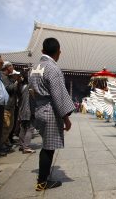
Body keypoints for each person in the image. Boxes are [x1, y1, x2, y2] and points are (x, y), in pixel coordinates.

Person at [29, 38, 75, 191]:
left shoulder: (34, 67)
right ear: (58, 52)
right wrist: (66, 118)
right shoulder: (53, 68)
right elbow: (58, 95)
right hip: (50, 111)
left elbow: (32, 91)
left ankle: (43, 177)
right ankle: (42, 182)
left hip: (39, 109)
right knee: (48, 148)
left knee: (46, 145)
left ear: (42, 51)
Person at [0, 61, 20, 152]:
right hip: (6, 106)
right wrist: (16, 82)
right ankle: (0, 146)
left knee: (10, 126)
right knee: (6, 126)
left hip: (11, 105)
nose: (12, 68)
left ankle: (4, 143)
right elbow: (8, 88)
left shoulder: (8, 77)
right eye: (11, 66)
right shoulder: (2, 76)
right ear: (7, 67)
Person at [18, 72, 36, 153]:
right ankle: (26, 146)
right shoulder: (30, 87)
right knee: (30, 128)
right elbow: (33, 98)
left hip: (22, 109)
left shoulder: (21, 86)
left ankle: (21, 145)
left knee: (23, 128)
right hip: (28, 110)